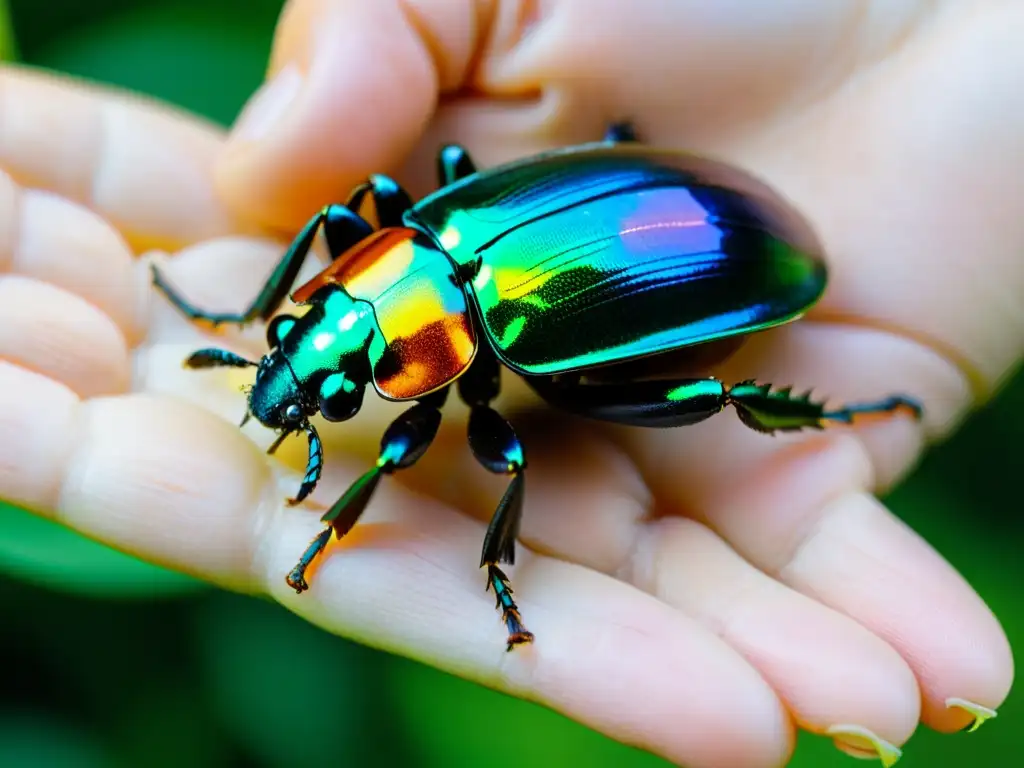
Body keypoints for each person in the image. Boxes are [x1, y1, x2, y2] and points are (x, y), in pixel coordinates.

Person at [0, 2, 1017, 766]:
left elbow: (449, 429)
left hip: (731, 254)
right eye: (313, 351)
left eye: (314, 349)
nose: (310, 369)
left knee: (683, 402)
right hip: (650, 190)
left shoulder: (439, 278)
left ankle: (798, 421)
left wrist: (334, 526)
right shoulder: (410, 226)